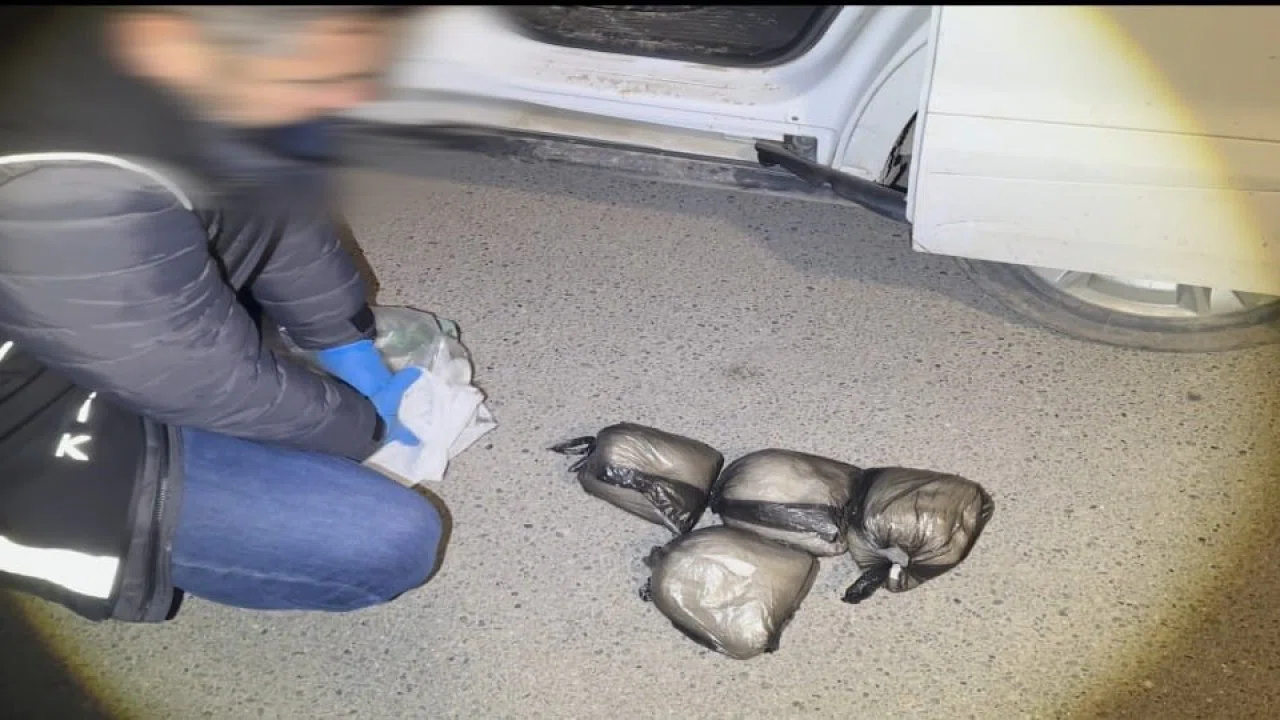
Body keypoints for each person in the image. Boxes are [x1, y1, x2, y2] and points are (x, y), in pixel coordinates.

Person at [0, 6, 446, 622]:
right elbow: (195, 379)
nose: (356, 98)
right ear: (170, 44)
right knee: (384, 541)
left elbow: (278, 206)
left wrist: (342, 339)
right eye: (315, 79)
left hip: (110, 329)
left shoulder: (206, 71)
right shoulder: (63, 187)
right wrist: (360, 428)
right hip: (24, 420)